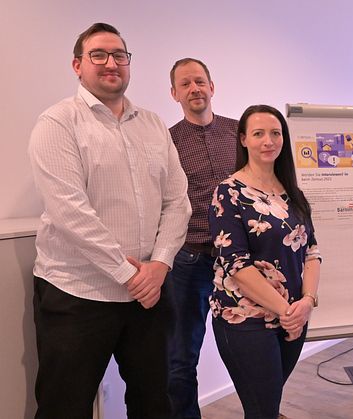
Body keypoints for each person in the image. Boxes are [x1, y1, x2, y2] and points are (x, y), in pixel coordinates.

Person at [27, 23, 191, 418]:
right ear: (77, 65)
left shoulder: (152, 124)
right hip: (77, 293)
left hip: (149, 294)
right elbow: (70, 211)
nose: (110, 63)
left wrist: (160, 264)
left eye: (119, 55)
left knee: (155, 402)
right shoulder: (58, 123)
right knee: (64, 406)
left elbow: (177, 201)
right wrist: (129, 274)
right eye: (98, 55)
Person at [208, 104, 321, 418]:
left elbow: (312, 253)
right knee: (263, 410)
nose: (268, 140)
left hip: (292, 318)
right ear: (243, 139)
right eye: (258, 133)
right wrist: (288, 311)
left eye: (275, 133)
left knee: (267, 406)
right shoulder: (228, 193)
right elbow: (236, 265)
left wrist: (307, 302)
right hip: (246, 319)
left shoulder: (292, 193)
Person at [167, 57, 238, 418]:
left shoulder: (239, 133)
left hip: (240, 260)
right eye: (185, 84)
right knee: (180, 357)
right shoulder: (167, 142)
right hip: (190, 261)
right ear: (175, 93)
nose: (194, 89)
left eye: (199, 81)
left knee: (252, 347)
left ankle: (262, 409)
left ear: (212, 86)